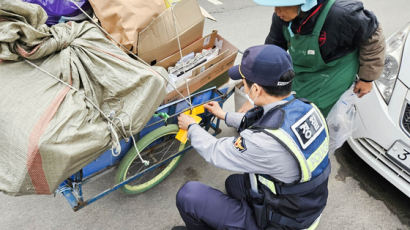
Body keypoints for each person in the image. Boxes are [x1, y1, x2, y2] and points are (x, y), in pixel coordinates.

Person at [173, 45, 331, 230]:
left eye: (244, 83)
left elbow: (215, 152)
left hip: (280, 221)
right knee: (233, 184)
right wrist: (224, 115)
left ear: (256, 89)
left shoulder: (263, 143)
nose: (244, 87)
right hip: (305, 205)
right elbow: (266, 120)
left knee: (189, 195)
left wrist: (191, 127)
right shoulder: (307, 108)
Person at [248, 0, 385, 117]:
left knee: (314, 113)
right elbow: (273, 49)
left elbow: (372, 36)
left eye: (281, 6)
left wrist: (367, 78)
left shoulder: (341, 14)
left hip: (334, 71)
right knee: (289, 103)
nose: (276, 11)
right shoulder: (282, 17)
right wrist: (256, 92)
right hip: (303, 69)